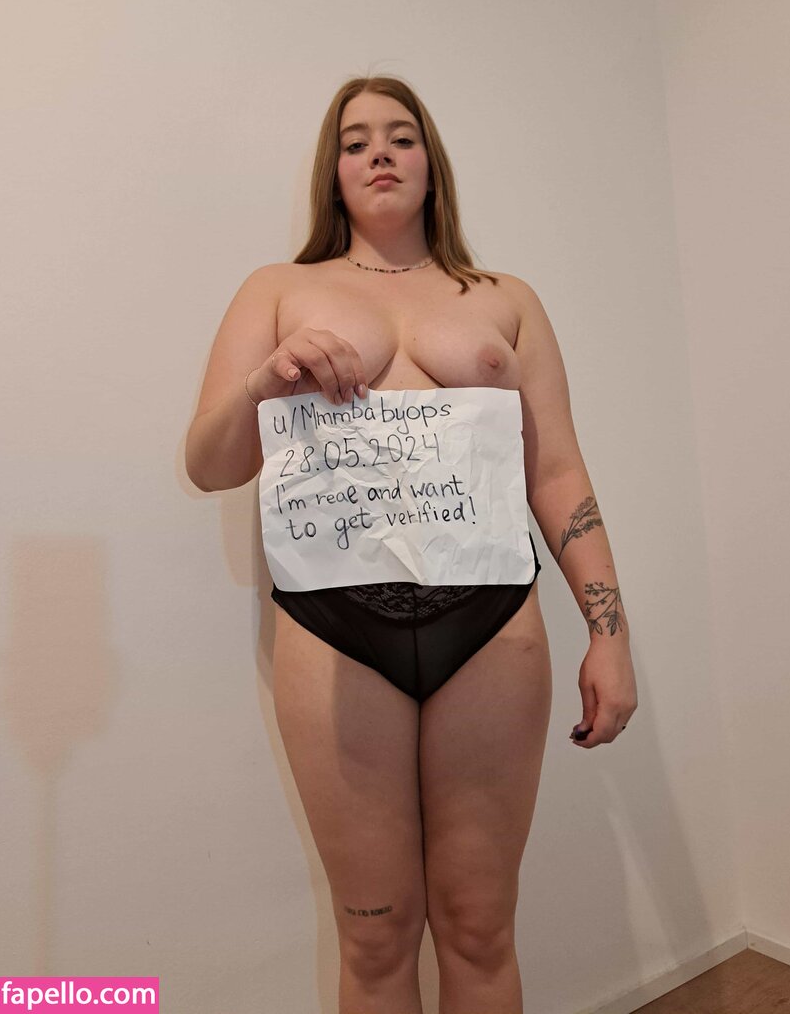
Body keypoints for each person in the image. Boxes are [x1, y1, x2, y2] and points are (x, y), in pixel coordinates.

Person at [185, 74, 638, 1014]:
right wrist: (267, 382)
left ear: (432, 162)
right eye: (355, 142)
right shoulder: (278, 290)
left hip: (493, 619)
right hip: (334, 627)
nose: (379, 153)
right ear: (333, 171)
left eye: (400, 135)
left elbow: (557, 471)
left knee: (479, 928)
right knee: (375, 936)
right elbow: (209, 464)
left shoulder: (506, 298)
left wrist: (611, 634)